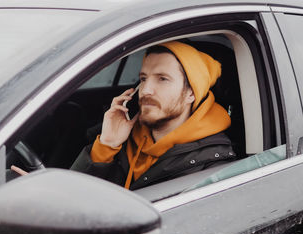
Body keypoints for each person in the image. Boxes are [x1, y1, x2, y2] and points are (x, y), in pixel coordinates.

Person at [71, 41, 236, 190]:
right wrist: (107, 145)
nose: (146, 90)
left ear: (191, 93)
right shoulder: (120, 136)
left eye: (163, 79)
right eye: (143, 79)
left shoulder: (213, 166)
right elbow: (71, 198)